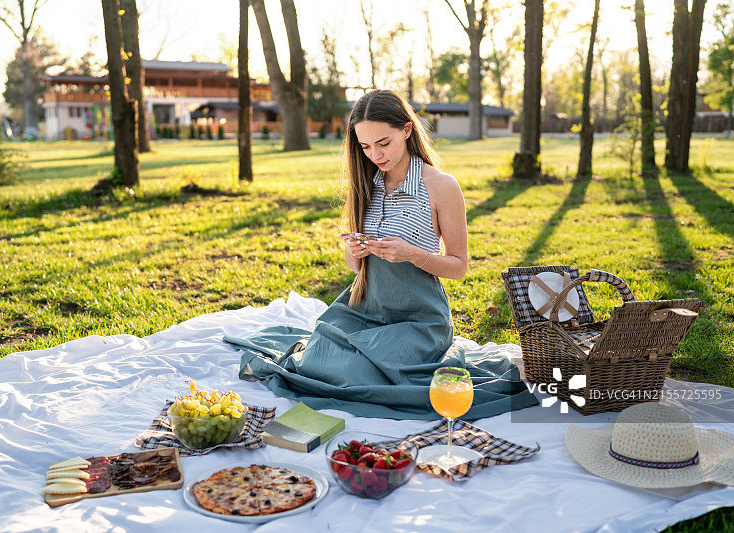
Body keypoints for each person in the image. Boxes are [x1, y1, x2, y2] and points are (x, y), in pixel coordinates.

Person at [225, 90, 536, 420]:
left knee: (360, 370)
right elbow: (356, 268)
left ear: (406, 130)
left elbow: (458, 267)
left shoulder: (442, 186)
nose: (374, 154)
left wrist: (413, 254)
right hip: (365, 307)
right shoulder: (365, 183)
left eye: (383, 143)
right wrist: (353, 251)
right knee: (319, 357)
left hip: (418, 318)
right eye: (365, 146)